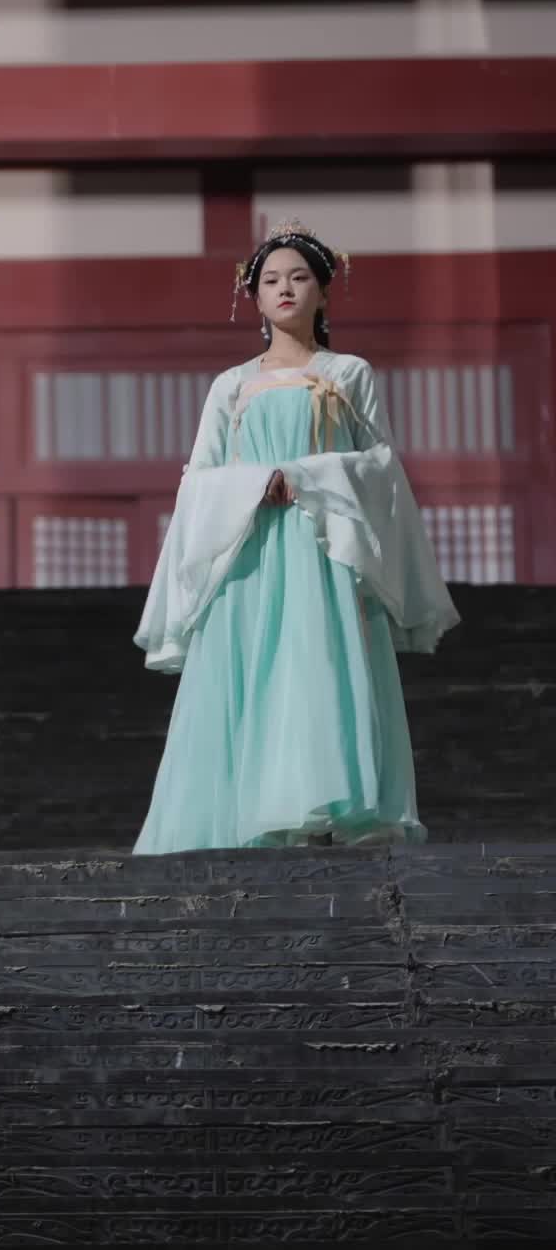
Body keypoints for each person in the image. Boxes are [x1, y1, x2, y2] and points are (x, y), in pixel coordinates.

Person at [134, 220, 459, 852]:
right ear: (254, 296)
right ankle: (243, 820)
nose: (285, 289)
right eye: (271, 280)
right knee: (250, 674)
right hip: (249, 555)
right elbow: (198, 480)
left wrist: (307, 477)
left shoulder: (349, 373)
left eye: (299, 277)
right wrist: (256, 483)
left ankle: (326, 812)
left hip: (322, 552)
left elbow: (382, 469)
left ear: (324, 291)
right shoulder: (231, 385)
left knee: (320, 672)